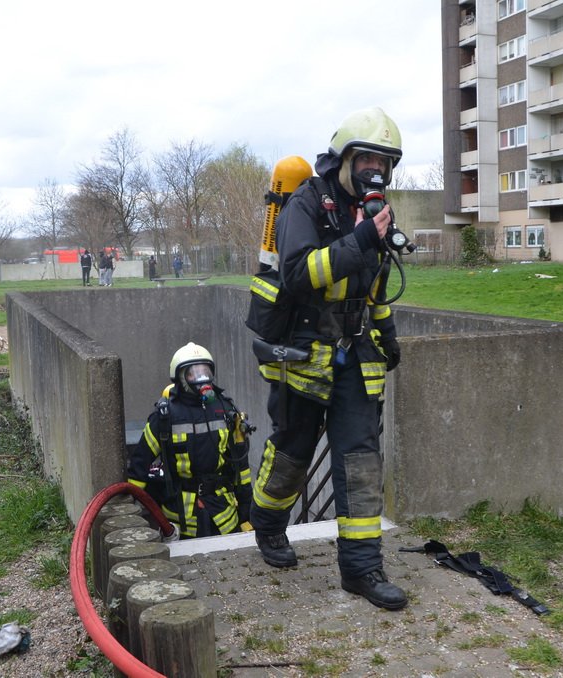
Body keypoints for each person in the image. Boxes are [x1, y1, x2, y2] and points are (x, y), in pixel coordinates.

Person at [248, 107, 406, 609]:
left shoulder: (379, 212)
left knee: (360, 462)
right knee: (293, 453)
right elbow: (297, 273)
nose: (373, 171)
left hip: (356, 353)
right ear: (342, 159)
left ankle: (361, 570)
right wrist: (361, 238)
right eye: (365, 159)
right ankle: (269, 526)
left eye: (383, 162)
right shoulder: (307, 204)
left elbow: (375, 288)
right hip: (303, 352)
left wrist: (388, 334)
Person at [127, 342, 254, 538]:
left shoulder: (226, 410)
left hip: (224, 515)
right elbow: (139, 464)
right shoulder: (165, 416)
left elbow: (240, 466)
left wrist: (246, 509)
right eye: (193, 373)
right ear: (180, 377)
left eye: (205, 371)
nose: (201, 378)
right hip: (180, 516)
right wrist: (129, 510)